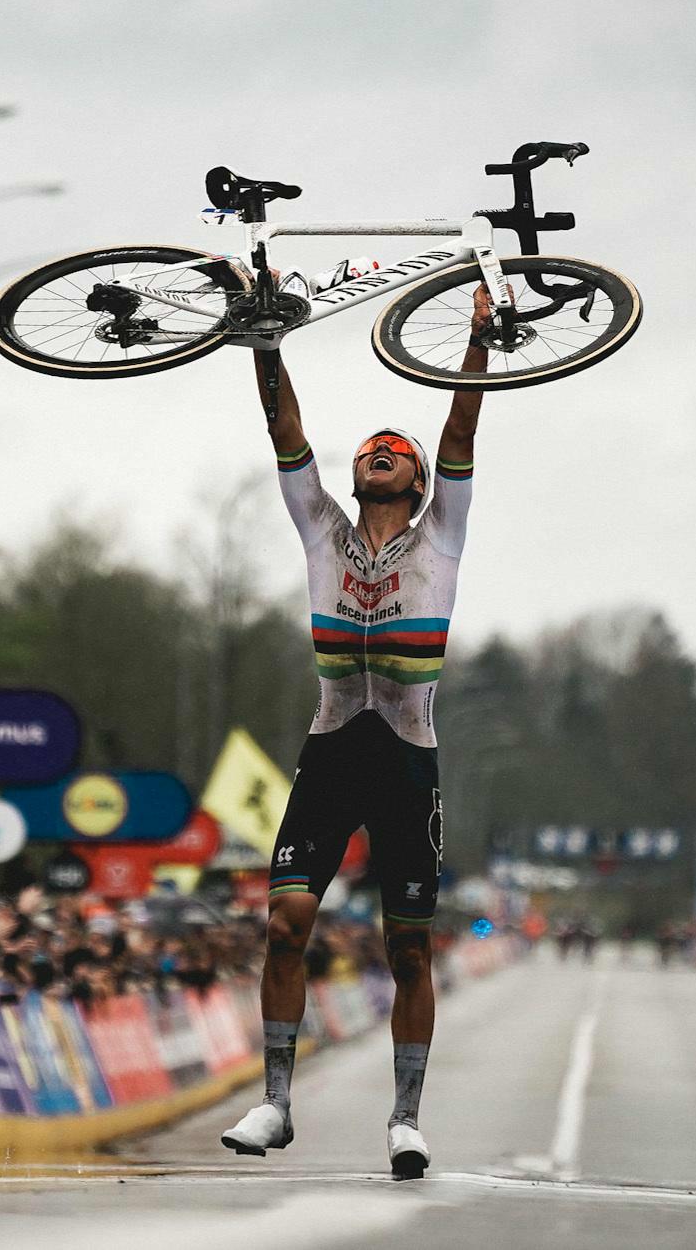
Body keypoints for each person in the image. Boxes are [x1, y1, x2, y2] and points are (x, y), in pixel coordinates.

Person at [220, 286, 498, 1178]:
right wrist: (266, 346)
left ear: (415, 481)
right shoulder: (320, 532)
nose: (378, 453)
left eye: (395, 451)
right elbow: (283, 432)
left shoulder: (440, 539)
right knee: (285, 925)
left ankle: (406, 1119)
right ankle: (274, 1103)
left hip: (406, 758)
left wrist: (476, 345)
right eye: (367, 450)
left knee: (407, 943)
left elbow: (460, 434)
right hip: (332, 749)